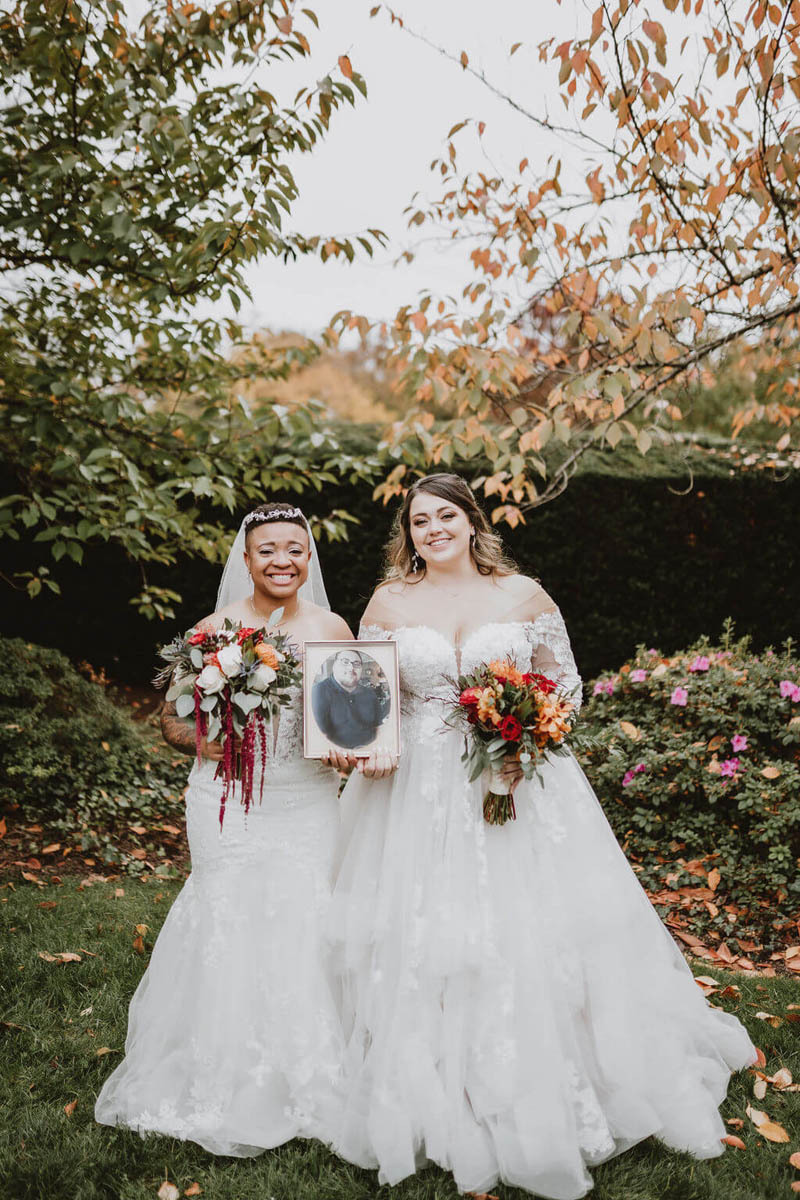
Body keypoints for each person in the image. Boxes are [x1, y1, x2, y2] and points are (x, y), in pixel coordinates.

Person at [328, 473, 756, 1200]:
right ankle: (429, 1078)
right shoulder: (389, 602)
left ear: (471, 521)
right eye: (418, 521)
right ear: (409, 533)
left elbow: (565, 686)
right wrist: (360, 743)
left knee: (533, 925)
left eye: (444, 516)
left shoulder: (524, 595)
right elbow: (365, 695)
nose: (432, 530)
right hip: (418, 789)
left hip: (515, 779)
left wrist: (526, 739)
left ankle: (554, 1069)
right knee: (422, 927)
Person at [95, 502, 354, 1156]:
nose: (282, 561)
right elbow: (171, 720)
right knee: (229, 914)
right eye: (268, 549)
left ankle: (308, 1073)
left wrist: (351, 745)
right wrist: (201, 744)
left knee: (305, 917)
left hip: (307, 798)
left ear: (308, 557)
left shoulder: (333, 626)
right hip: (228, 801)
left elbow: (352, 716)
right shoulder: (214, 628)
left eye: (295, 549)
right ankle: (220, 1070)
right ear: (247, 558)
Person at [312, 649, 390, 750]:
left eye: (357, 664)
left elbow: (378, 727)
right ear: (334, 665)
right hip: (335, 756)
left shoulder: (369, 693)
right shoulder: (318, 691)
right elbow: (318, 737)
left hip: (370, 754)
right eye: (345, 662)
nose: (351, 668)